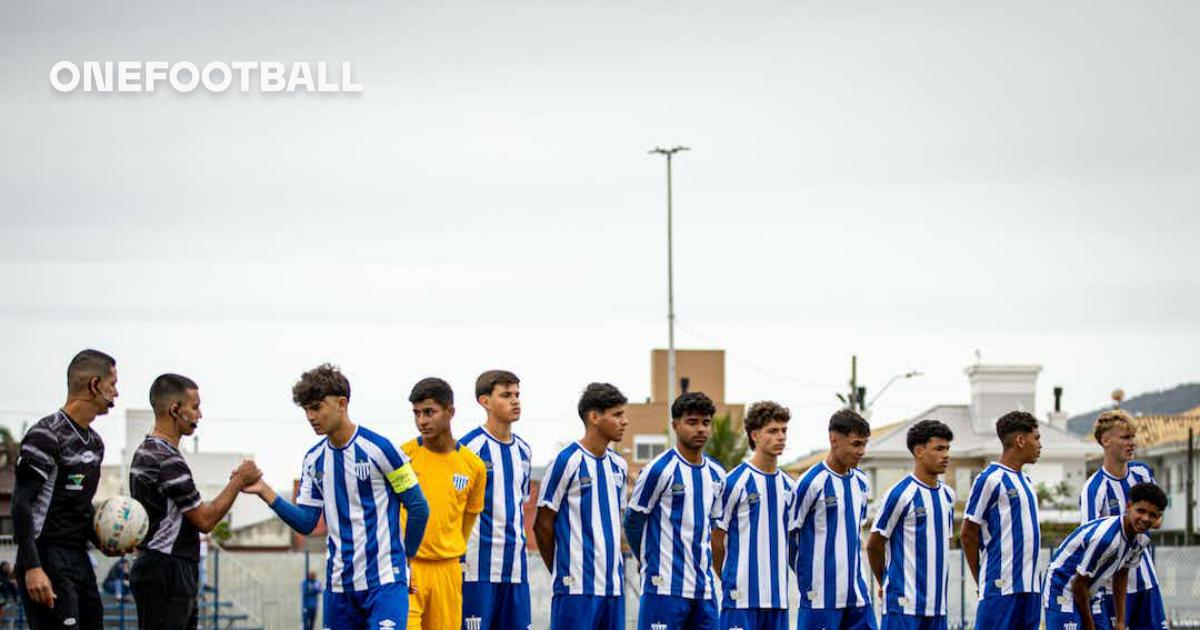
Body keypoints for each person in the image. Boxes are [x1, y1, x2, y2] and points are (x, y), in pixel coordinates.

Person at [242, 363, 430, 630]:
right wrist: (265, 491)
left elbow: (418, 507)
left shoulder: (380, 449)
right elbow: (307, 522)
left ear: (342, 403)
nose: (310, 416)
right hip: (339, 587)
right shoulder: (314, 459)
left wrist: (406, 559)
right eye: (306, 409)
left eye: (317, 407)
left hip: (385, 583)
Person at [129, 373, 262, 630]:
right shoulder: (165, 458)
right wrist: (239, 481)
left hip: (158, 567)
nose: (199, 415)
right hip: (168, 569)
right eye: (195, 407)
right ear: (175, 409)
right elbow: (204, 519)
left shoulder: (146, 451)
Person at [13, 349, 118, 630]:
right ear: (95, 385)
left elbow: (80, 509)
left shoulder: (95, 444)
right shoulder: (46, 435)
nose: (116, 393)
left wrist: (107, 540)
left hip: (78, 558)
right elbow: (20, 503)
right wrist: (33, 567)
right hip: (44, 556)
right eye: (113, 384)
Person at [625, 391, 726, 630]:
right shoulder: (658, 470)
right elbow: (633, 521)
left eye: (706, 422)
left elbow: (715, 530)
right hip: (664, 587)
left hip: (704, 590)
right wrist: (646, 560)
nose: (701, 429)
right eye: (692, 422)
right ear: (675, 425)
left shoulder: (717, 474)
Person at [534, 383, 630, 630]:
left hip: (613, 587)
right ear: (594, 417)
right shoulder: (566, 461)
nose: (625, 421)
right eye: (617, 414)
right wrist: (561, 570)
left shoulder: (619, 466)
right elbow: (542, 523)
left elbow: (615, 524)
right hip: (575, 586)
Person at [402, 378, 487, 630]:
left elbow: (467, 522)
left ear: (450, 412)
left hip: (448, 570)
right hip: (410, 567)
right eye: (416, 413)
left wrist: (446, 548)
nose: (422, 421)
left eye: (429, 412)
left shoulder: (473, 466)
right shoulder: (403, 457)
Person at [458, 370, 533, 630]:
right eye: (506, 395)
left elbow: (519, 505)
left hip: (515, 567)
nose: (515, 401)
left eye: (517, 395)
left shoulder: (523, 451)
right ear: (485, 401)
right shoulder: (467, 449)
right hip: (476, 567)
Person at [788, 409, 876, 630]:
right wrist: (808, 578)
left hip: (858, 596)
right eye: (856, 444)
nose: (861, 451)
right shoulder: (810, 482)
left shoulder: (862, 483)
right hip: (820, 599)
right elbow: (788, 534)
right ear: (834, 440)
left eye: (864, 445)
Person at [1080, 409, 1166, 630]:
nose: (1132, 443)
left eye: (1132, 437)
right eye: (1125, 437)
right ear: (1106, 441)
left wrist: (1136, 522)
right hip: (1111, 591)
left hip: (1146, 582)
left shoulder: (1142, 473)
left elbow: (1158, 520)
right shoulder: (1093, 489)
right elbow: (1091, 542)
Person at [712, 401, 794, 630]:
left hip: (778, 601)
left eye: (784, 430)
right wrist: (731, 579)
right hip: (741, 601)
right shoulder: (734, 481)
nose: (781, 437)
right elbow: (716, 540)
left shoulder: (789, 486)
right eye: (773, 431)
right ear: (755, 435)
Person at [867, 420, 956, 630]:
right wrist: (886, 582)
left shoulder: (948, 496)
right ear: (919, 452)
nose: (946, 455)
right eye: (939, 449)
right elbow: (873, 545)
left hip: (937, 608)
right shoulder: (899, 494)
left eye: (948, 449)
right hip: (903, 607)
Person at [1043, 483, 1167, 630]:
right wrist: (1089, 625)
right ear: (1128, 507)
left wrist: (1121, 622)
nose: (1145, 518)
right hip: (1063, 586)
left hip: (1090, 589)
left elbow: (1122, 574)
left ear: (1158, 517)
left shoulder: (1142, 537)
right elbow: (1078, 585)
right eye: (1140, 511)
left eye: (1152, 515)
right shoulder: (1107, 539)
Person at [961, 411, 1043, 630]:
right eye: (1036, 438)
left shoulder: (1025, 480)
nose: (1040, 445)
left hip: (1031, 587)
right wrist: (981, 578)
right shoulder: (990, 479)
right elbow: (968, 533)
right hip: (1001, 586)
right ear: (1019, 440)